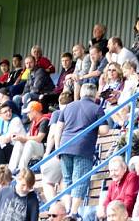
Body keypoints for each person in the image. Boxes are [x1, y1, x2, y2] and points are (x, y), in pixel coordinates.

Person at [57, 83, 108, 215]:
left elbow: (59, 128)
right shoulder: (97, 109)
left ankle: (67, 209)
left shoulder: (68, 106)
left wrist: (57, 148)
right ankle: (73, 212)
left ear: (81, 94)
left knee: (67, 179)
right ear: (95, 94)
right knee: (80, 180)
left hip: (64, 145)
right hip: (83, 148)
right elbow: (105, 130)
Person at [81, 156, 139, 221]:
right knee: (89, 213)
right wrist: (103, 208)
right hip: (112, 212)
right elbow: (107, 199)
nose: (113, 173)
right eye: (111, 171)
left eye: (116, 170)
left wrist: (114, 211)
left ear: (125, 168)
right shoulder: (113, 183)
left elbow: (129, 200)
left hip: (123, 213)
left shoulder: (132, 177)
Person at [9, 101, 49, 173]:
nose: (27, 115)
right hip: (36, 147)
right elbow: (28, 136)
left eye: (29, 112)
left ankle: (22, 170)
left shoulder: (44, 120)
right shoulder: (33, 122)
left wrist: (25, 138)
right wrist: (20, 138)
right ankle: (11, 169)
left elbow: (39, 138)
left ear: (34, 112)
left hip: (45, 148)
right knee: (19, 143)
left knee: (29, 143)